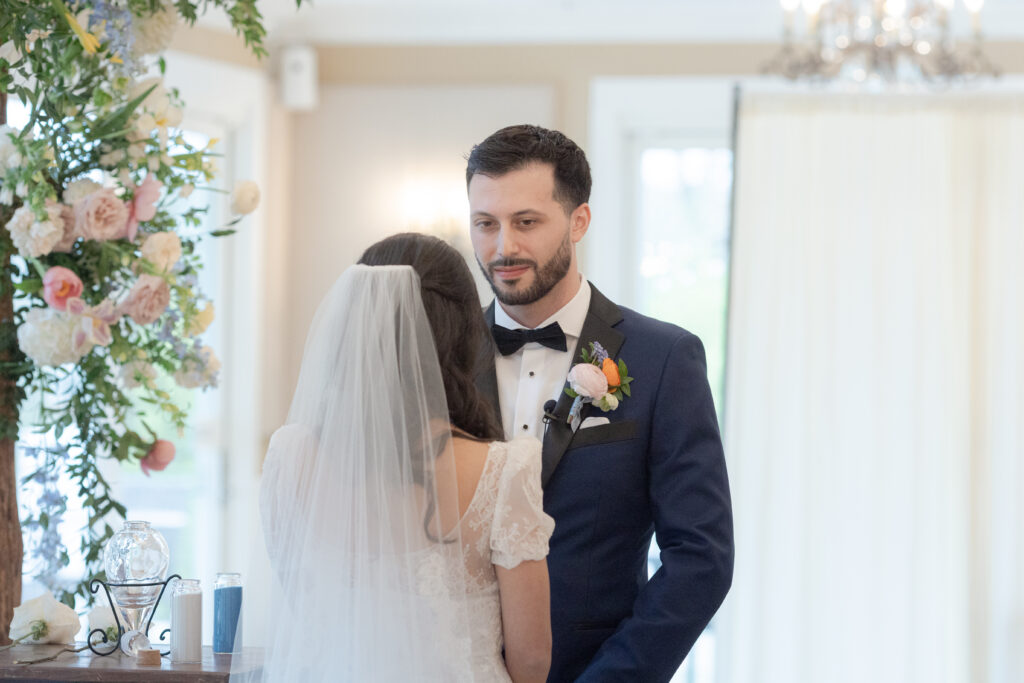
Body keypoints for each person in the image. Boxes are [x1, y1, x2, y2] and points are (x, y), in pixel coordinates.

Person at [467, 125, 734, 682]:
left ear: (579, 221)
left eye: (526, 222)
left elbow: (700, 557)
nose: (502, 247)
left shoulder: (664, 358)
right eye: (486, 224)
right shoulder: (436, 356)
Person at [248, 233, 554, 682]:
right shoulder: (504, 471)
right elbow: (531, 659)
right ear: (463, 333)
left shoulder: (289, 458)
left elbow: (305, 610)